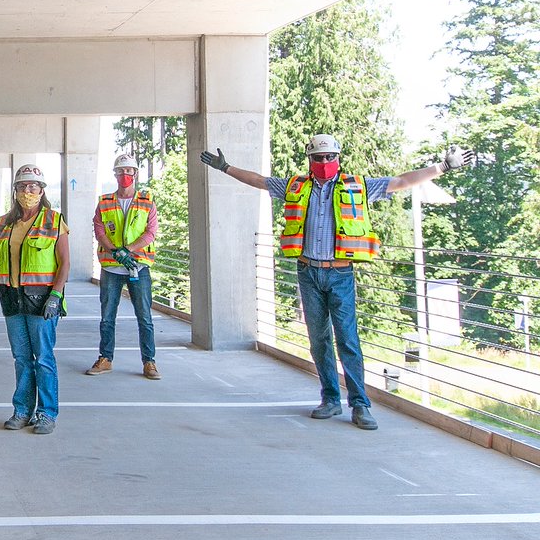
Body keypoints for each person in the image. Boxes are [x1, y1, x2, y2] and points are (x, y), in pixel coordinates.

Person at [201, 134, 475, 431]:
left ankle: (360, 404)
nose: (324, 162)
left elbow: (401, 181)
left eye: (329, 157)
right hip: (308, 272)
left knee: (347, 340)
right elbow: (260, 180)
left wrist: (442, 168)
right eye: (318, 158)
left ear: (338, 158)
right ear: (310, 160)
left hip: (341, 273)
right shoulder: (296, 187)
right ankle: (330, 398)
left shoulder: (357, 186)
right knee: (319, 340)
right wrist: (226, 168)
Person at [0, 164, 70, 435]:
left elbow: (65, 263)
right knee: (21, 358)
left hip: (42, 300)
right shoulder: (5, 223)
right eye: (22, 186)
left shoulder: (54, 221)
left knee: (43, 358)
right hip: (12, 299)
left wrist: (56, 296)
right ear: (16, 191)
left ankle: (46, 413)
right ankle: (22, 410)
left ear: (42, 190)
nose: (27, 191)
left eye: (33, 186)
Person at [86, 153, 161, 379]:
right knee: (107, 316)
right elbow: (99, 230)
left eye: (128, 171)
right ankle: (105, 358)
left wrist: (128, 250)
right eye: (120, 172)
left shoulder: (147, 202)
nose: (124, 175)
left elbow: (150, 233)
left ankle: (149, 362)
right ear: (115, 175)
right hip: (111, 268)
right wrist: (115, 251)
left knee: (144, 317)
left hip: (139, 266)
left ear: (135, 174)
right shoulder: (105, 202)